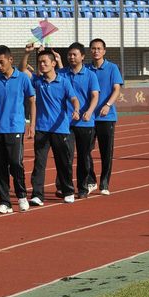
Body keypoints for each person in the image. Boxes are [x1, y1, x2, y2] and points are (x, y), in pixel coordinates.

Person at [23, 47, 78, 209]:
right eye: (39, 62)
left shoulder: (64, 81)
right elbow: (22, 70)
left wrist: (76, 109)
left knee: (63, 162)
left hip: (60, 129)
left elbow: (74, 99)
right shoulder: (37, 81)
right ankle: (37, 194)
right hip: (42, 129)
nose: (42, 64)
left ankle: (68, 191)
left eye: (45, 62)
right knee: (39, 163)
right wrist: (27, 53)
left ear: (53, 64)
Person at [0, 45, 35, 214]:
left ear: (10, 60)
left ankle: (21, 196)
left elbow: (31, 100)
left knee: (15, 163)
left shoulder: (22, 78)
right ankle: (4, 201)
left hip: (15, 127)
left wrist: (31, 125)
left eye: (1, 62)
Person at [59, 43, 100, 197]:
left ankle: (83, 187)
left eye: (74, 54)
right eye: (69, 55)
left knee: (83, 156)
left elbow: (95, 96)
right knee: (66, 156)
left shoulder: (90, 75)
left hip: (85, 122)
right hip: (66, 123)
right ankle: (66, 187)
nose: (71, 57)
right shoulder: (61, 74)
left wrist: (89, 112)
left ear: (82, 56)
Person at [88, 38, 123, 195]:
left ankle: (104, 183)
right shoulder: (86, 69)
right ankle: (91, 180)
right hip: (88, 117)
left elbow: (116, 89)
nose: (96, 51)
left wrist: (108, 105)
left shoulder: (112, 68)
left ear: (104, 51)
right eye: (93, 48)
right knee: (85, 150)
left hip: (106, 117)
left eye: (99, 48)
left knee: (106, 151)